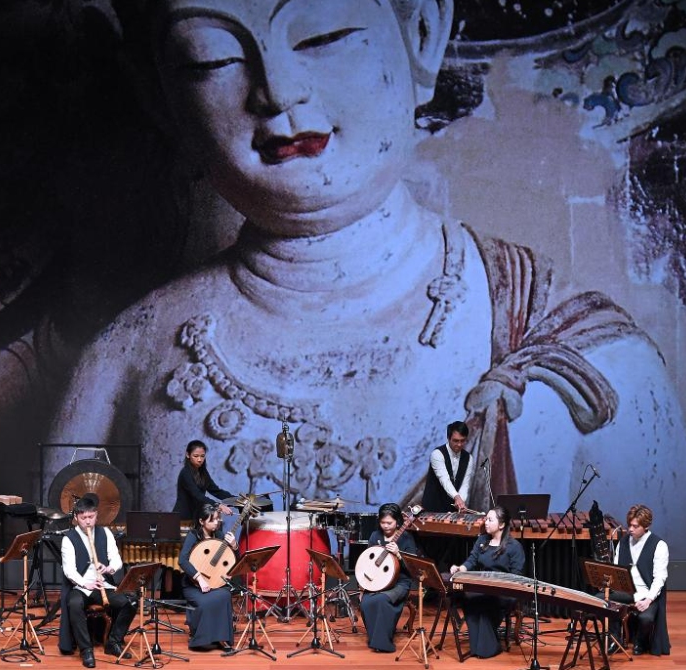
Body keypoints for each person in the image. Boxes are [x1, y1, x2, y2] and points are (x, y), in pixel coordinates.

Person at [50, 0, 686, 560]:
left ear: (422, 33)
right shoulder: (124, 357)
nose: (277, 90)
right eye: (210, 59)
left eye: (322, 35)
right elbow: (72, 601)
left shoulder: (578, 356)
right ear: (158, 93)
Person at [59, 495, 137, 668]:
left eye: (91, 517)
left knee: (130, 601)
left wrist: (109, 568)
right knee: (74, 603)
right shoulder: (68, 539)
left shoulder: (105, 533)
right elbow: (69, 570)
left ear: (96, 514)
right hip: (82, 587)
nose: (88, 521)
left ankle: (113, 642)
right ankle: (86, 650)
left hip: (103, 584)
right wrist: (84, 583)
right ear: (76, 518)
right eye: (83, 518)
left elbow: (116, 559)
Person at [449, 505, 524, 659]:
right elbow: (472, 560)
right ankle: (480, 646)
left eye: (490, 520)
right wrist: (460, 568)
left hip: (504, 591)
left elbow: (517, 576)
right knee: (469, 598)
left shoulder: (514, 547)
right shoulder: (482, 540)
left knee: (486, 602)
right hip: (482, 587)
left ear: (502, 524)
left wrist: (498, 583)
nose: (486, 523)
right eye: (486, 519)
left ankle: (487, 648)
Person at [607, 504, 670, 656]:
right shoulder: (623, 542)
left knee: (646, 618)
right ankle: (615, 639)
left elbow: (660, 578)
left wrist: (648, 600)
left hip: (646, 592)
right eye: (629, 525)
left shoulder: (659, 545)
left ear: (646, 526)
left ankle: (640, 641)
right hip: (626, 591)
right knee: (600, 601)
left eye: (635, 526)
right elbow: (616, 569)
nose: (630, 529)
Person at [358, 503, 419, 653]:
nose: (385, 526)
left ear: (398, 521)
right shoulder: (375, 536)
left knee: (381, 600)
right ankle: (375, 638)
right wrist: (363, 587)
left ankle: (382, 642)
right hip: (377, 581)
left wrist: (399, 554)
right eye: (382, 522)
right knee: (366, 601)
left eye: (389, 523)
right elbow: (367, 561)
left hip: (400, 582)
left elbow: (413, 568)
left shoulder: (406, 538)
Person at [177, 502, 238, 651]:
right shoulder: (193, 535)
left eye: (218, 519)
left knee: (224, 595)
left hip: (215, 581)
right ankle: (201, 637)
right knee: (205, 602)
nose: (217, 522)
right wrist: (199, 578)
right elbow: (182, 560)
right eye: (213, 520)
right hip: (193, 584)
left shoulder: (220, 535)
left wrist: (235, 546)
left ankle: (221, 638)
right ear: (201, 521)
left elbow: (232, 560)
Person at [173, 440, 235, 520]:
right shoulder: (185, 473)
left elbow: (216, 491)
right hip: (182, 518)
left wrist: (238, 501)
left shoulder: (203, 472)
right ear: (188, 455)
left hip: (196, 517)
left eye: (202, 456)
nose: (199, 459)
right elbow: (197, 495)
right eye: (196, 456)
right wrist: (218, 505)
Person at [422, 421, 473, 512]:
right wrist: (457, 497)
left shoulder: (469, 458)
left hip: (452, 510)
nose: (459, 444)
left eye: (462, 441)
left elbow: (465, 484)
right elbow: (444, 479)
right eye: (456, 441)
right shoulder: (437, 454)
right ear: (448, 438)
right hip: (432, 508)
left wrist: (461, 502)